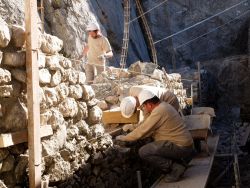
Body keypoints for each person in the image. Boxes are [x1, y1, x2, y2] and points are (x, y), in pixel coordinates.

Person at [116, 89, 194, 182]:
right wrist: (134, 127)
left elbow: (142, 131)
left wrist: (124, 138)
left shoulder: (159, 111)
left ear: (149, 104)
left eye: (144, 106)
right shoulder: (164, 106)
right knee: (157, 143)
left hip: (181, 147)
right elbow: (146, 125)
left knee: (144, 151)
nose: (144, 109)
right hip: (185, 145)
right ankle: (180, 163)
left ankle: (176, 168)